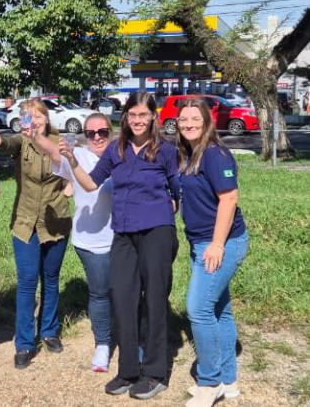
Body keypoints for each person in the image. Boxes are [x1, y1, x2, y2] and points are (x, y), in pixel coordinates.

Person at [65, 92, 180, 400]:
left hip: (156, 230)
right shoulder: (116, 150)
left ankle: (155, 373)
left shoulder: (165, 150)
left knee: (154, 298)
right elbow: (90, 183)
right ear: (125, 117)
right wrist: (72, 160)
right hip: (124, 233)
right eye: (133, 115)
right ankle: (128, 370)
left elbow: (176, 187)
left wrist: (173, 206)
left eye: (144, 115)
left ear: (153, 117)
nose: (138, 120)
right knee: (122, 297)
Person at [0, 98, 70, 369]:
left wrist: (68, 186)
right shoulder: (22, 140)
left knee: (50, 279)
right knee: (27, 281)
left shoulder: (58, 140)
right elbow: (3, 144)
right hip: (25, 221)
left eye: (38, 116)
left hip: (56, 221)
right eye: (27, 116)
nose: (34, 121)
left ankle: (49, 332)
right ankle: (25, 343)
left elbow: (64, 163)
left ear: (46, 118)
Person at [175, 99, 249, 407]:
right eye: (183, 119)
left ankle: (210, 381)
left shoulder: (215, 155)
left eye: (195, 118)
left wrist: (217, 244)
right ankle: (229, 380)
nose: (189, 123)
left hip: (221, 243)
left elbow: (229, 198)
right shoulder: (190, 154)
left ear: (206, 122)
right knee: (219, 310)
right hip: (200, 242)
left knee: (198, 309)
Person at [31, 113, 116, 372]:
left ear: (111, 132)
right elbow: (54, 151)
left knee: (127, 293)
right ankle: (103, 343)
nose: (97, 137)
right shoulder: (76, 157)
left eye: (102, 131)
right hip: (91, 241)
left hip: (125, 238)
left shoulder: (123, 155)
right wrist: (36, 135)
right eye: (91, 133)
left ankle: (131, 339)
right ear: (85, 136)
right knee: (100, 293)